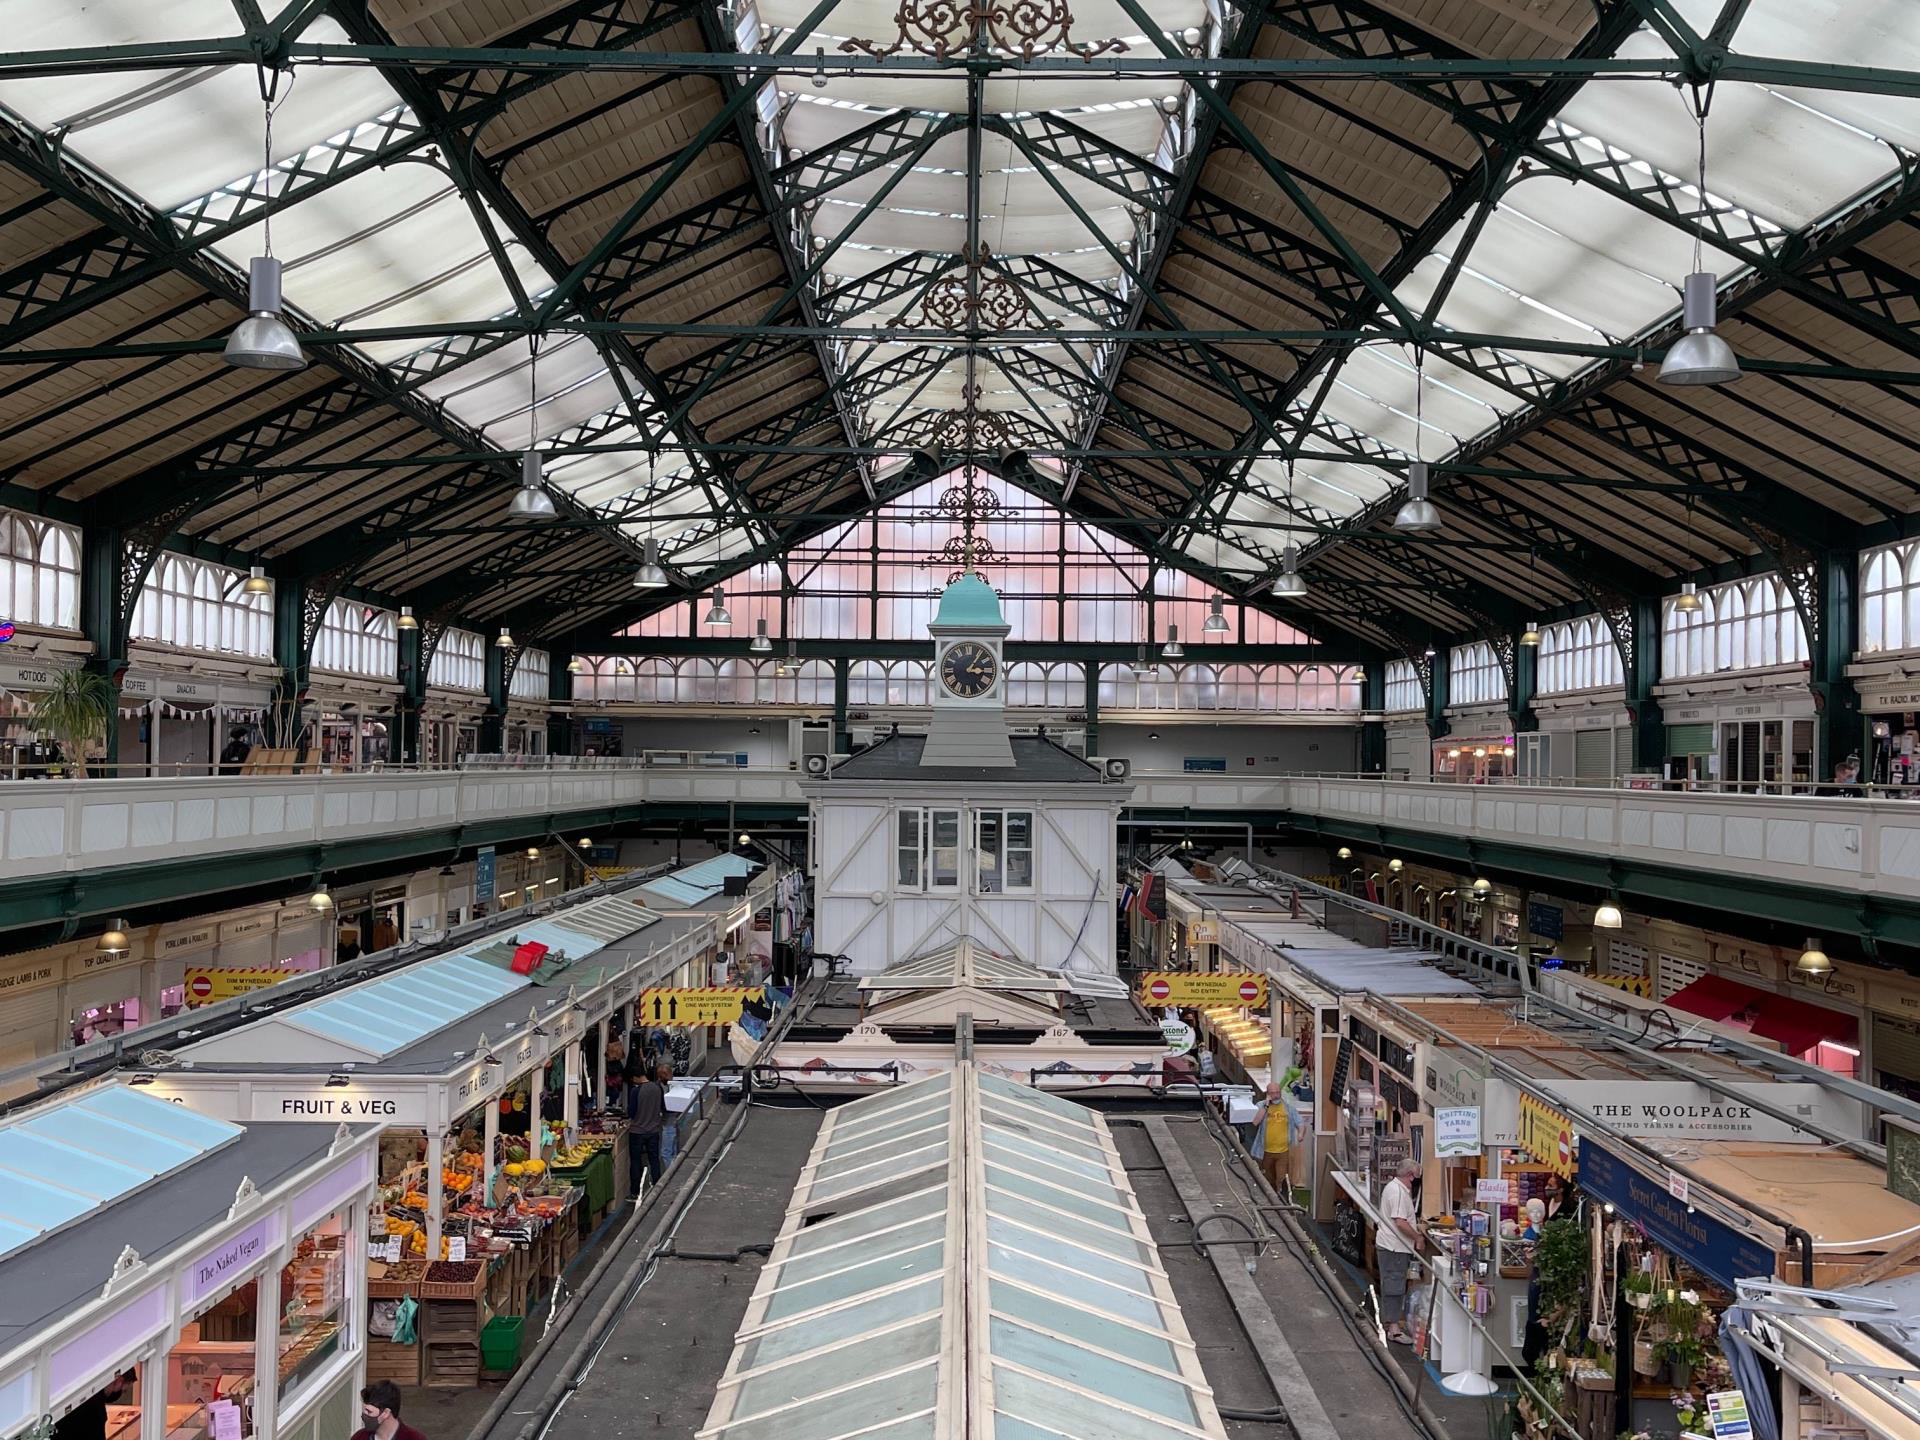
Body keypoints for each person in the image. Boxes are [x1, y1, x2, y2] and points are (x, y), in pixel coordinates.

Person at [1376, 1158, 1422, 1346]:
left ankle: (1391, 1323)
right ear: (1411, 1176)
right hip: (1394, 1247)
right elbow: (1400, 1222)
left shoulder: (1395, 1189)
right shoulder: (1398, 1193)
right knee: (1394, 1286)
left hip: (1393, 1246)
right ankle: (1393, 1329)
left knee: (1392, 1283)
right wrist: (1417, 1237)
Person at [54, 1370, 134, 1440]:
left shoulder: (92, 1396)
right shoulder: (94, 1406)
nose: (120, 1393)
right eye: (124, 1390)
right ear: (119, 1381)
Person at [627, 1059, 667, 1194]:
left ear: (636, 1077)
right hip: (654, 1130)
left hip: (637, 1131)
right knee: (654, 1159)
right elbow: (663, 1107)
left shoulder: (635, 1092)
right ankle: (657, 1186)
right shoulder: (657, 1088)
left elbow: (631, 1112)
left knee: (636, 1162)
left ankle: (635, 1191)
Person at [352, 1381, 426, 1440]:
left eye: (369, 1411)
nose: (363, 1416)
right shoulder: (359, 1438)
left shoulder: (415, 1438)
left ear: (386, 1413)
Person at [1257, 1082, 1289, 1196]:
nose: (1275, 1095)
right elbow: (1255, 1122)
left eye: (1277, 1092)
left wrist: (1300, 1132)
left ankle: (1279, 1195)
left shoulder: (1287, 1107)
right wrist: (1266, 1106)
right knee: (1268, 1177)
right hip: (1266, 1151)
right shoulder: (1261, 1106)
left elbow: (1298, 1122)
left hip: (1282, 1150)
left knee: (1280, 1177)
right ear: (1268, 1094)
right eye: (1272, 1093)